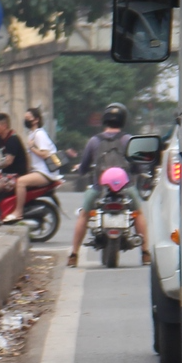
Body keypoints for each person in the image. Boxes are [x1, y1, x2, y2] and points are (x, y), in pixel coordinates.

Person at [67, 104, 148, 267]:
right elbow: (139, 166)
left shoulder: (94, 141)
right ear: (123, 120)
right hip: (126, 187)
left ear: (105, 120)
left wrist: (80, 170)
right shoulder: (128, 140)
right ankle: (145, 253)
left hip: (99, 188)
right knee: (138, 213)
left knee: (84, 214)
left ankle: (73, 255)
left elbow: (83, 167)